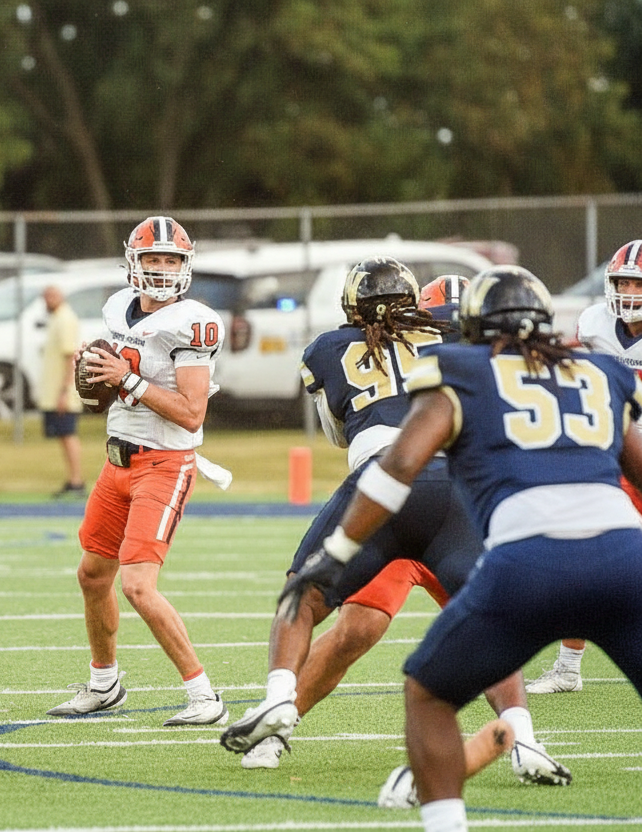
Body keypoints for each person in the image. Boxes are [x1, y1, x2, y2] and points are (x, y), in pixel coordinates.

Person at [278, 265, 642, 832]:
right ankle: (521, 736)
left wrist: (339, 547)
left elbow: (399, 464)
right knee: (363, 628)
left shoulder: (461, 371)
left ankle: (446, 820)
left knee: (427, 694)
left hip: (525, 556)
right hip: (622, 556)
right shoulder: (599, 370)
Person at [220, 261, 566, 787]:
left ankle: (277, 699)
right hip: (452, 492)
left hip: (383, 485)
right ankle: (526, 739)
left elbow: (340, 433)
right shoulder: (453, 346)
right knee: (473, 621)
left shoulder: (327, 349)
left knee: (302, 596)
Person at [46, 216, 229, 726]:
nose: (162, 268)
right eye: (153, 258)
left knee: (138, 586)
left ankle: (204, 696)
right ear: (134, 262)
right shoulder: (117, 309)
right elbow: (111, 387)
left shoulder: (193, 322)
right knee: (92, 575)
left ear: (185, 266)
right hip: (117, 461)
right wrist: (98, 381)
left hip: (164, 464)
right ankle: (104, 684)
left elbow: (191, 412)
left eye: (171, 260)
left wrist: (126, 379)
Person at [526, 240, 642, 695]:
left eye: (637, 284)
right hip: (615, 455)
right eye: (623, 283)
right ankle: (568, 668)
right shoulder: (595, 323)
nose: (629, 293)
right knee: (587, 554)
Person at [38, 284, 86, 498]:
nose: (47, 300)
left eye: (51, 296)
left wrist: (65, 391)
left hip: (64, 392)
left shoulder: (65, 319)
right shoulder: (56, 318)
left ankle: (77, 481)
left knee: (68, 435)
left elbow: (70, 357)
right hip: (55, 391)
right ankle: (72, 479)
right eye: (45, 296)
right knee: (63, 436)